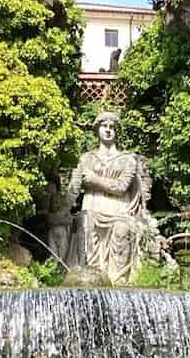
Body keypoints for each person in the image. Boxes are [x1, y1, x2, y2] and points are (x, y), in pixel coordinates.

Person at [68, 111, 160, 283]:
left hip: (119, 212)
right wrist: (62, 209)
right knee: (85, 225)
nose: (108, 130)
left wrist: (94, 180)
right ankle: (92, 278)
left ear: (117, 132)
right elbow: (74, 188)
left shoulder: (128, 159)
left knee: (122, 230)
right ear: (97, 130)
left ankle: (118, 281)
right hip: (91, 210)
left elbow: (121, 187)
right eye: (104, 126)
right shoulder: (86, 158)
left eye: (112, 127)